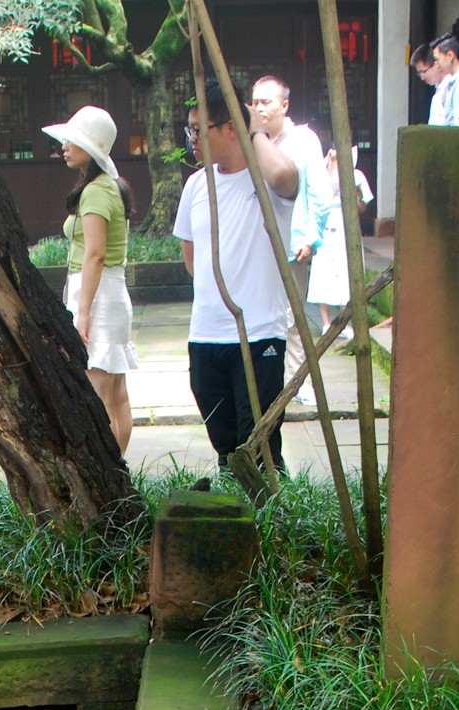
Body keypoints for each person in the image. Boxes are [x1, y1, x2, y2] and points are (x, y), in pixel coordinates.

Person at [174, 77, 301, 475]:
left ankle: (272, 524)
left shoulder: (266, 181)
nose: (192, 138)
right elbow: (192, 259)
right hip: (206, 335)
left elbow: (286, 177)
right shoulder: (196, 185)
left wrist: (255, 129)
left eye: (199, 129)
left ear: (231, 128)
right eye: (189, 129)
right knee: (227, 450)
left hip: (259, 333)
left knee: (259, 449)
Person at [44, 106, 139, 454]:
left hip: (97, 295)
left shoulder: (97, 190)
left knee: (100, 397)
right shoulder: (105, 186)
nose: (65, 145)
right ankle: (118, 475)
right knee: (114, 396)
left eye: (74, 139)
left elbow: (95, 253)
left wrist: (82, 312)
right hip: (107, 293)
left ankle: (111, 475)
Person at [248, 77, 326, 403]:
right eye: (255, 102)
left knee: (293, 317)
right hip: (258, 244)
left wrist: (311, 238)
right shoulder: (252, 141)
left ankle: (299, 383)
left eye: (267, 101)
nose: (260, 108)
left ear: (285, 105)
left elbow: (319, 192)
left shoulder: (303, 140)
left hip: (292, 245)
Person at [306, 147, 375, 334]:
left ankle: (346, 321)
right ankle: (326, 322)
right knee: (322, 270)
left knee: (347, 271)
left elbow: (363, 206)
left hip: (346, 225)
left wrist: (355, 197)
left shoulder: (356, 175)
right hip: (325, 225)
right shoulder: (321, 172)